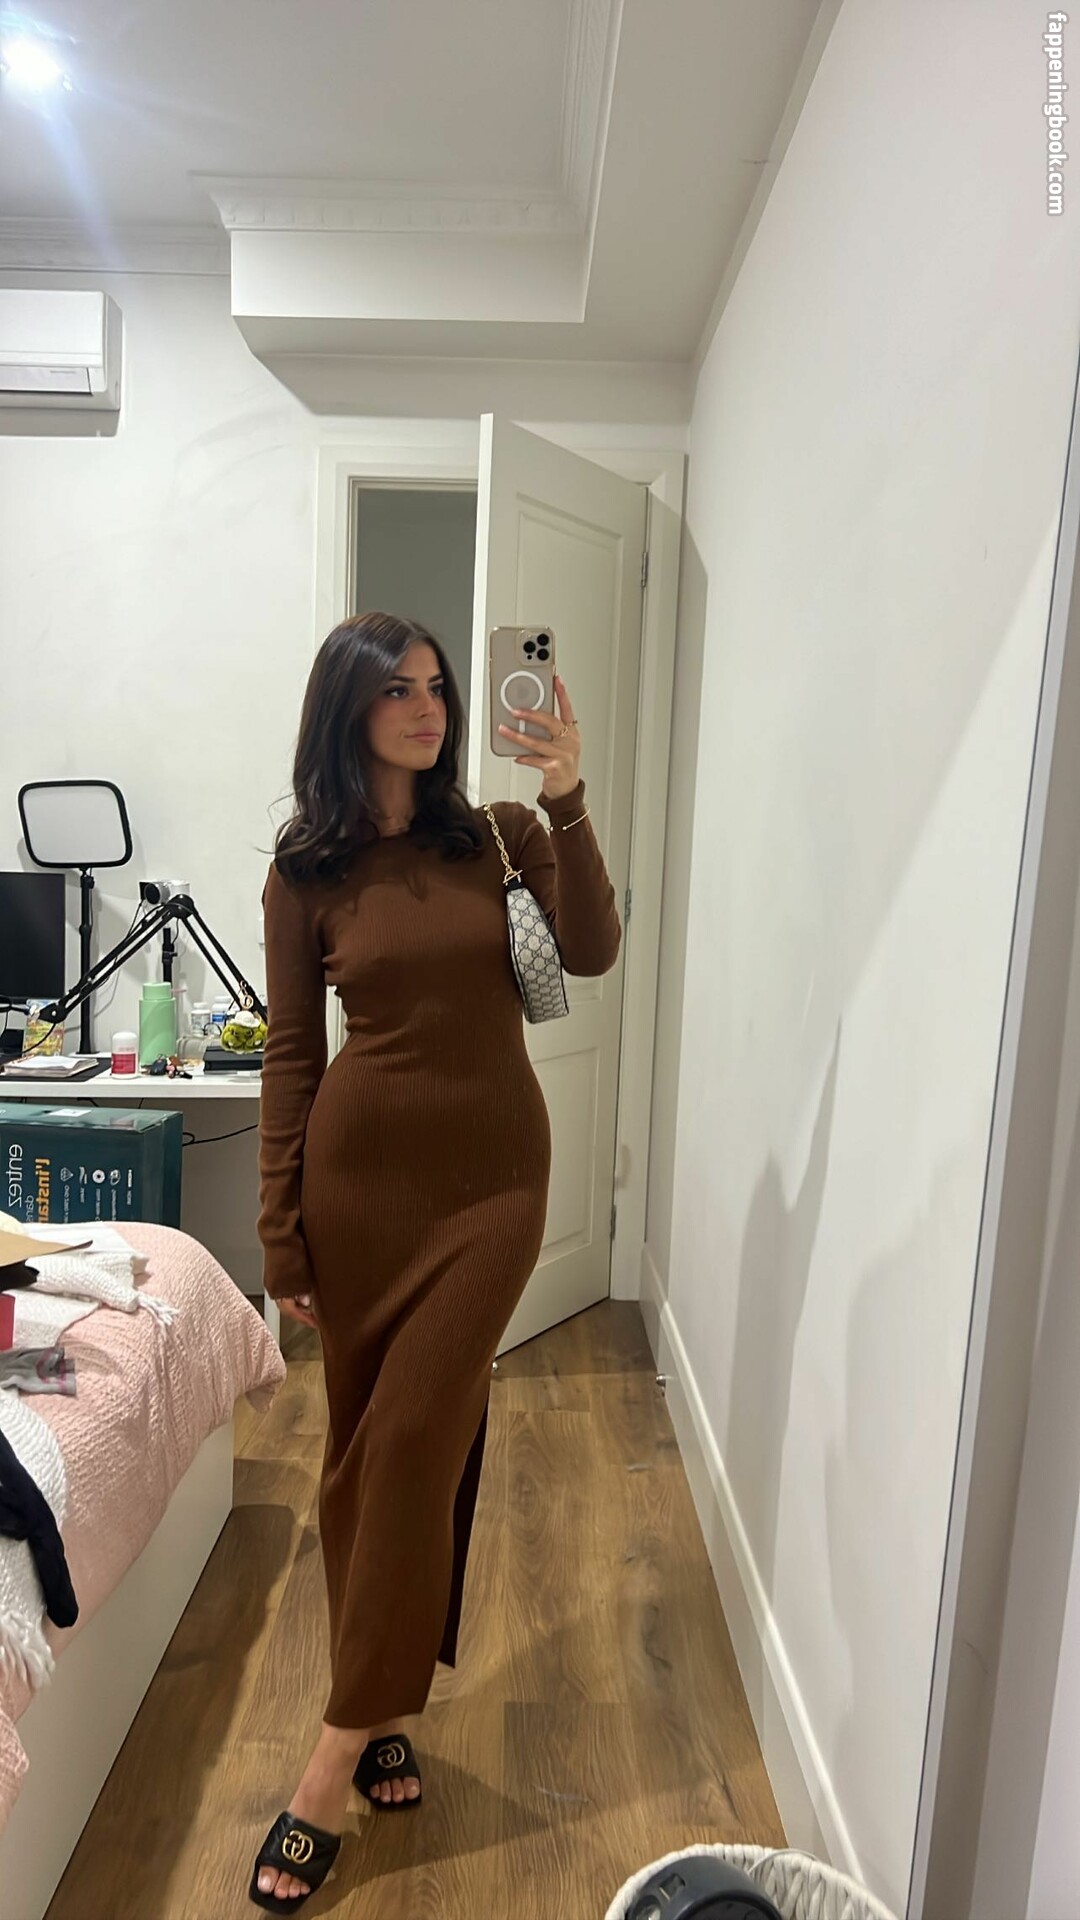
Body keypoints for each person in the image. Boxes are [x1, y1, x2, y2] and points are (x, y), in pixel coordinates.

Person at [248, 611, 622, 1909]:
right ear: (345, 712)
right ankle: (389, 1706)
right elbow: (292, 1055)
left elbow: (592, 951)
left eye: (438, 688)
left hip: (495, 1185)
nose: (428, 708)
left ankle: (329, 1759)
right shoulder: (306, 873)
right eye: (397, 690)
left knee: (409, 1440)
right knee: (368, 1459)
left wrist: (568, 795)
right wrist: (281, 1230)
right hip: (358, 1193)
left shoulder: (502, 835)